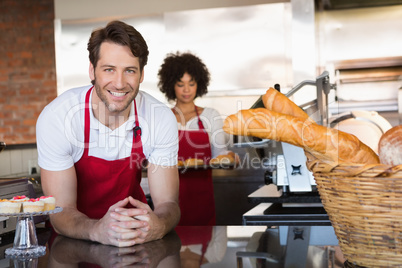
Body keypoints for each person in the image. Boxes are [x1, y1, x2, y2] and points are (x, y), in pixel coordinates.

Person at [36, 20, 180, 247]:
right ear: (92, 71)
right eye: (109, 69)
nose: (120, 83)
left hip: (137, 239)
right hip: (73, 244)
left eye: (130, 70)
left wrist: (159, 225)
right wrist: (97, 230)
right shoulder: (58, 117)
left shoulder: (159, 117)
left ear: (141, 74)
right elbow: (60, 213)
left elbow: (168, 204)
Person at [157, 52, 236, 225]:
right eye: (180, 84)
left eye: (191, 83)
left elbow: (219, 154)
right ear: (171, 85)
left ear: (199, 84)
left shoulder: (211, 115)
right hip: (167, 197)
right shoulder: (162, 117)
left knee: (203, 239)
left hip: (201, 196)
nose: (186, 90)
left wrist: (230, 157)